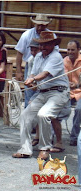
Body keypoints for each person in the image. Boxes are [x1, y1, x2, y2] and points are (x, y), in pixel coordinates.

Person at [12, 31, 69, 160]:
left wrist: (33, 80)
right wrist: (29, 80)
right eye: (41, 45)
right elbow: (33, 74)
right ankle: (25, 149)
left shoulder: (56, 57)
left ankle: (44, 148)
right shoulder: (37, 57)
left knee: (44, 114)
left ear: (53, 44)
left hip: (58, 92)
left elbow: (44, 74)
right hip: (42, 92)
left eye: (46, 44)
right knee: (25, 116)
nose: (43, 47)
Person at [15, 14, 57, 108]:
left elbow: (55, 53)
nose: (40, 27)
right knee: (29, 90)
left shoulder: (51, 36)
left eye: (42, 25)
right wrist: (18, 71)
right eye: (38, 25)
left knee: (45, 90)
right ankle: (28, 116)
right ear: (34, 24)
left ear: (46, 25)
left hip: (46, 66)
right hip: (30, 65)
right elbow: (19, 53)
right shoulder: (26, 35)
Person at [64, 40, 81, 146]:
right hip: (67, 91)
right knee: (56, 108)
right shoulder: (64, 60)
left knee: (79, 109)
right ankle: (51, 137)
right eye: (68, 50)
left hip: (80, 91)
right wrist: (68, 83)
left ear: (78, 50)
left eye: (72, 50)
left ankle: (74, 137)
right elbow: (63, 76)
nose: (70, 52)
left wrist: (77, 85)